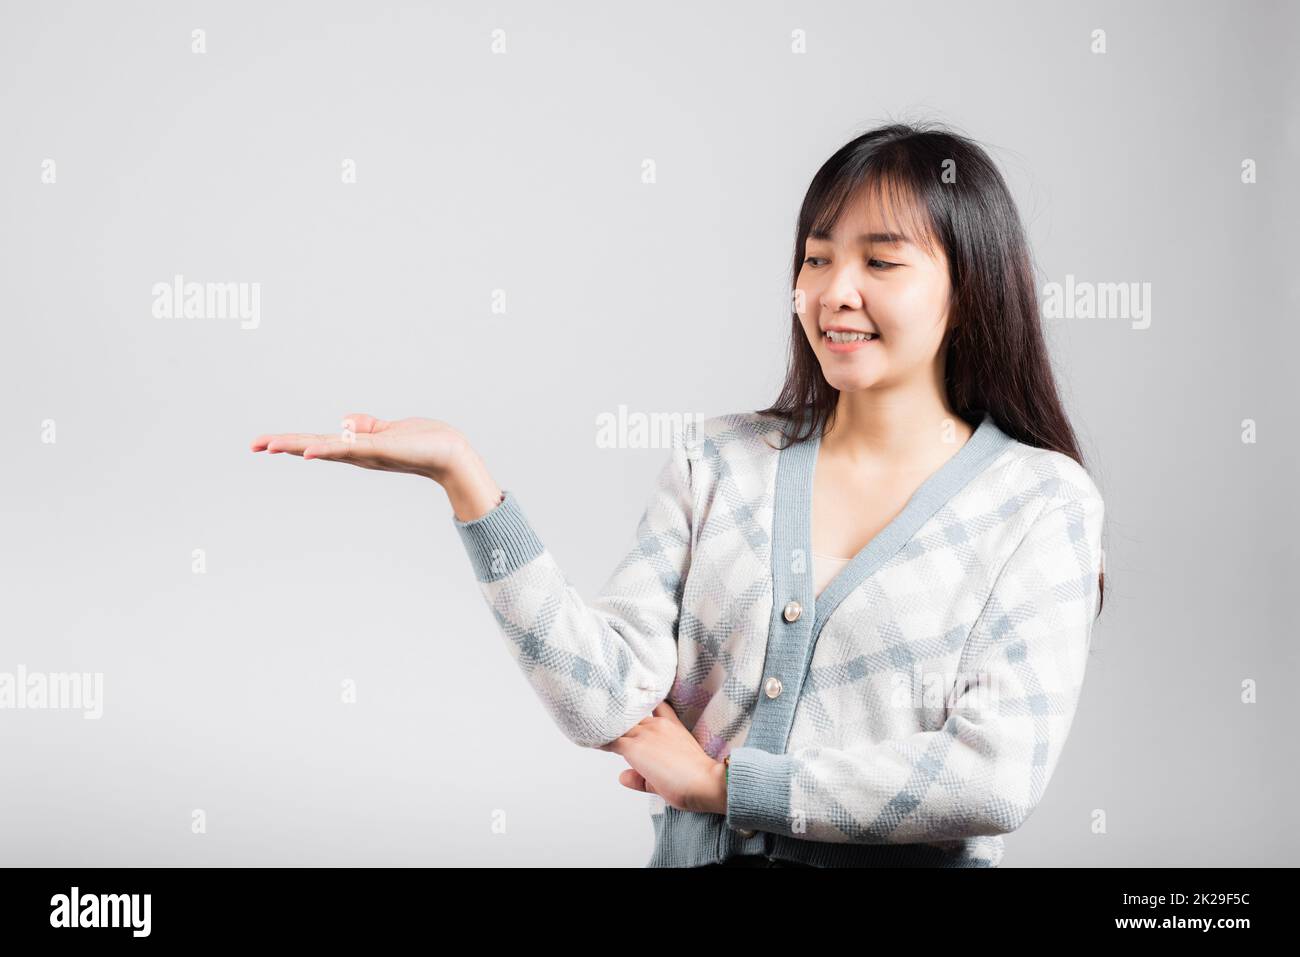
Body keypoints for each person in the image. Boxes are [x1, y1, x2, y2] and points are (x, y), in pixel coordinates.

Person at [251, 121, 1107, 868]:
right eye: (815, 259)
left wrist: (729, 786)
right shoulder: (720, 461)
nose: (832, 292)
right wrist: (466, 480)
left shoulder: (1039, 502)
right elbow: (608, 692)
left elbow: (994, 776)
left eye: (880, 260)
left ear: (971, 289)